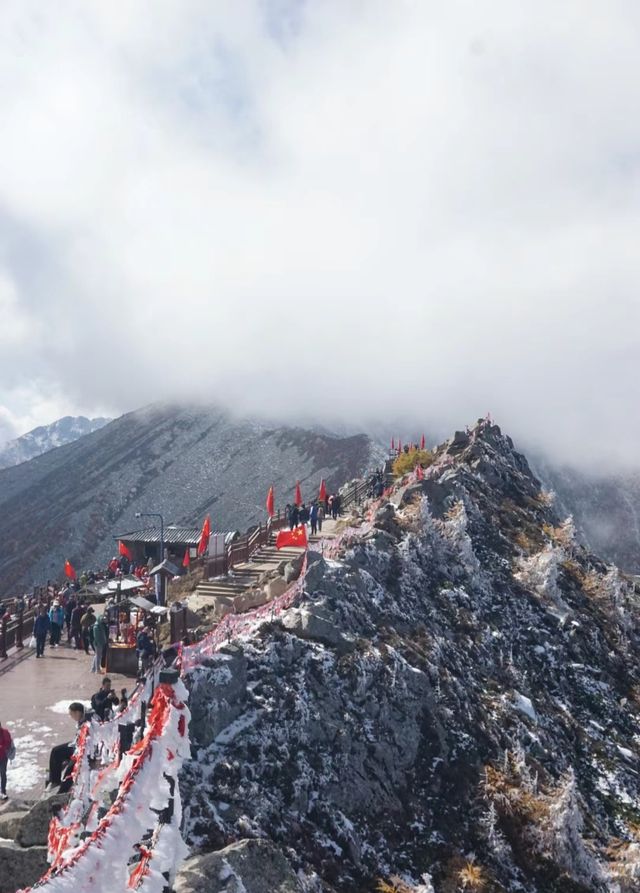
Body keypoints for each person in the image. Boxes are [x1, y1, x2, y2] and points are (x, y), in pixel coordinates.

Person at [48, 702, 90, 791]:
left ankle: (63, 791)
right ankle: (55, 781)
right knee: (56, 751)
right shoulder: (81, 720)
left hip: (84, 751)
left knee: (70, 768)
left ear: (77, 713)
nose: (71, 717)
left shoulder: (88, 722)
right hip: (76, 745)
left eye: (72, 714)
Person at [0, 722, 14, 800]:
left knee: (2, 773)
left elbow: (8, 743)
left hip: (3, 757)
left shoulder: (5, 732)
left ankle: (3, 791)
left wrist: (2, 747)